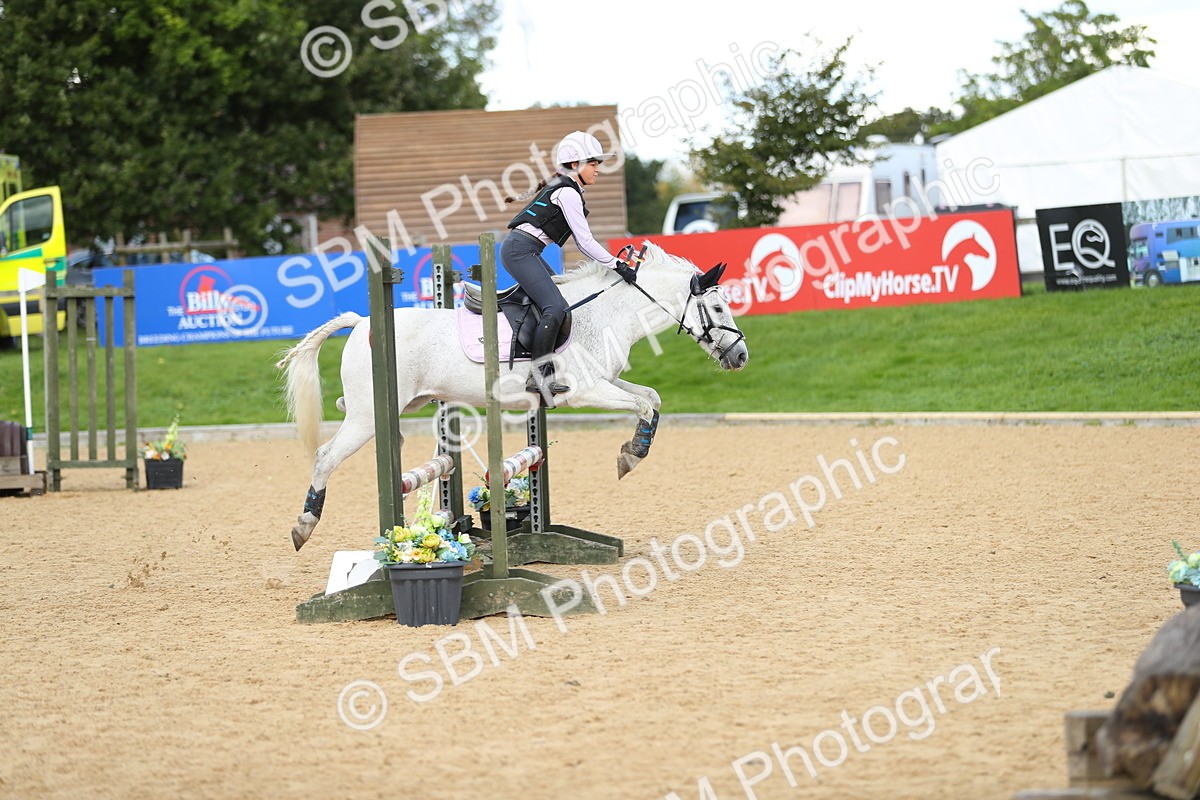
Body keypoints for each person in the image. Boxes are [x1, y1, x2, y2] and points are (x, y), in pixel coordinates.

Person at [502, 130, 638, 403]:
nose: (598, 169)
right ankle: (539, 375)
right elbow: (585, 242)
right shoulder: (567, 191)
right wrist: (617, 265)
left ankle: (551, 363)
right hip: (520, 251)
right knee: (556, 307)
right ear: (575, 165)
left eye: (598, 163)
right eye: (593, 163)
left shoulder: (568, 187)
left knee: (559, 303)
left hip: (526, 250)